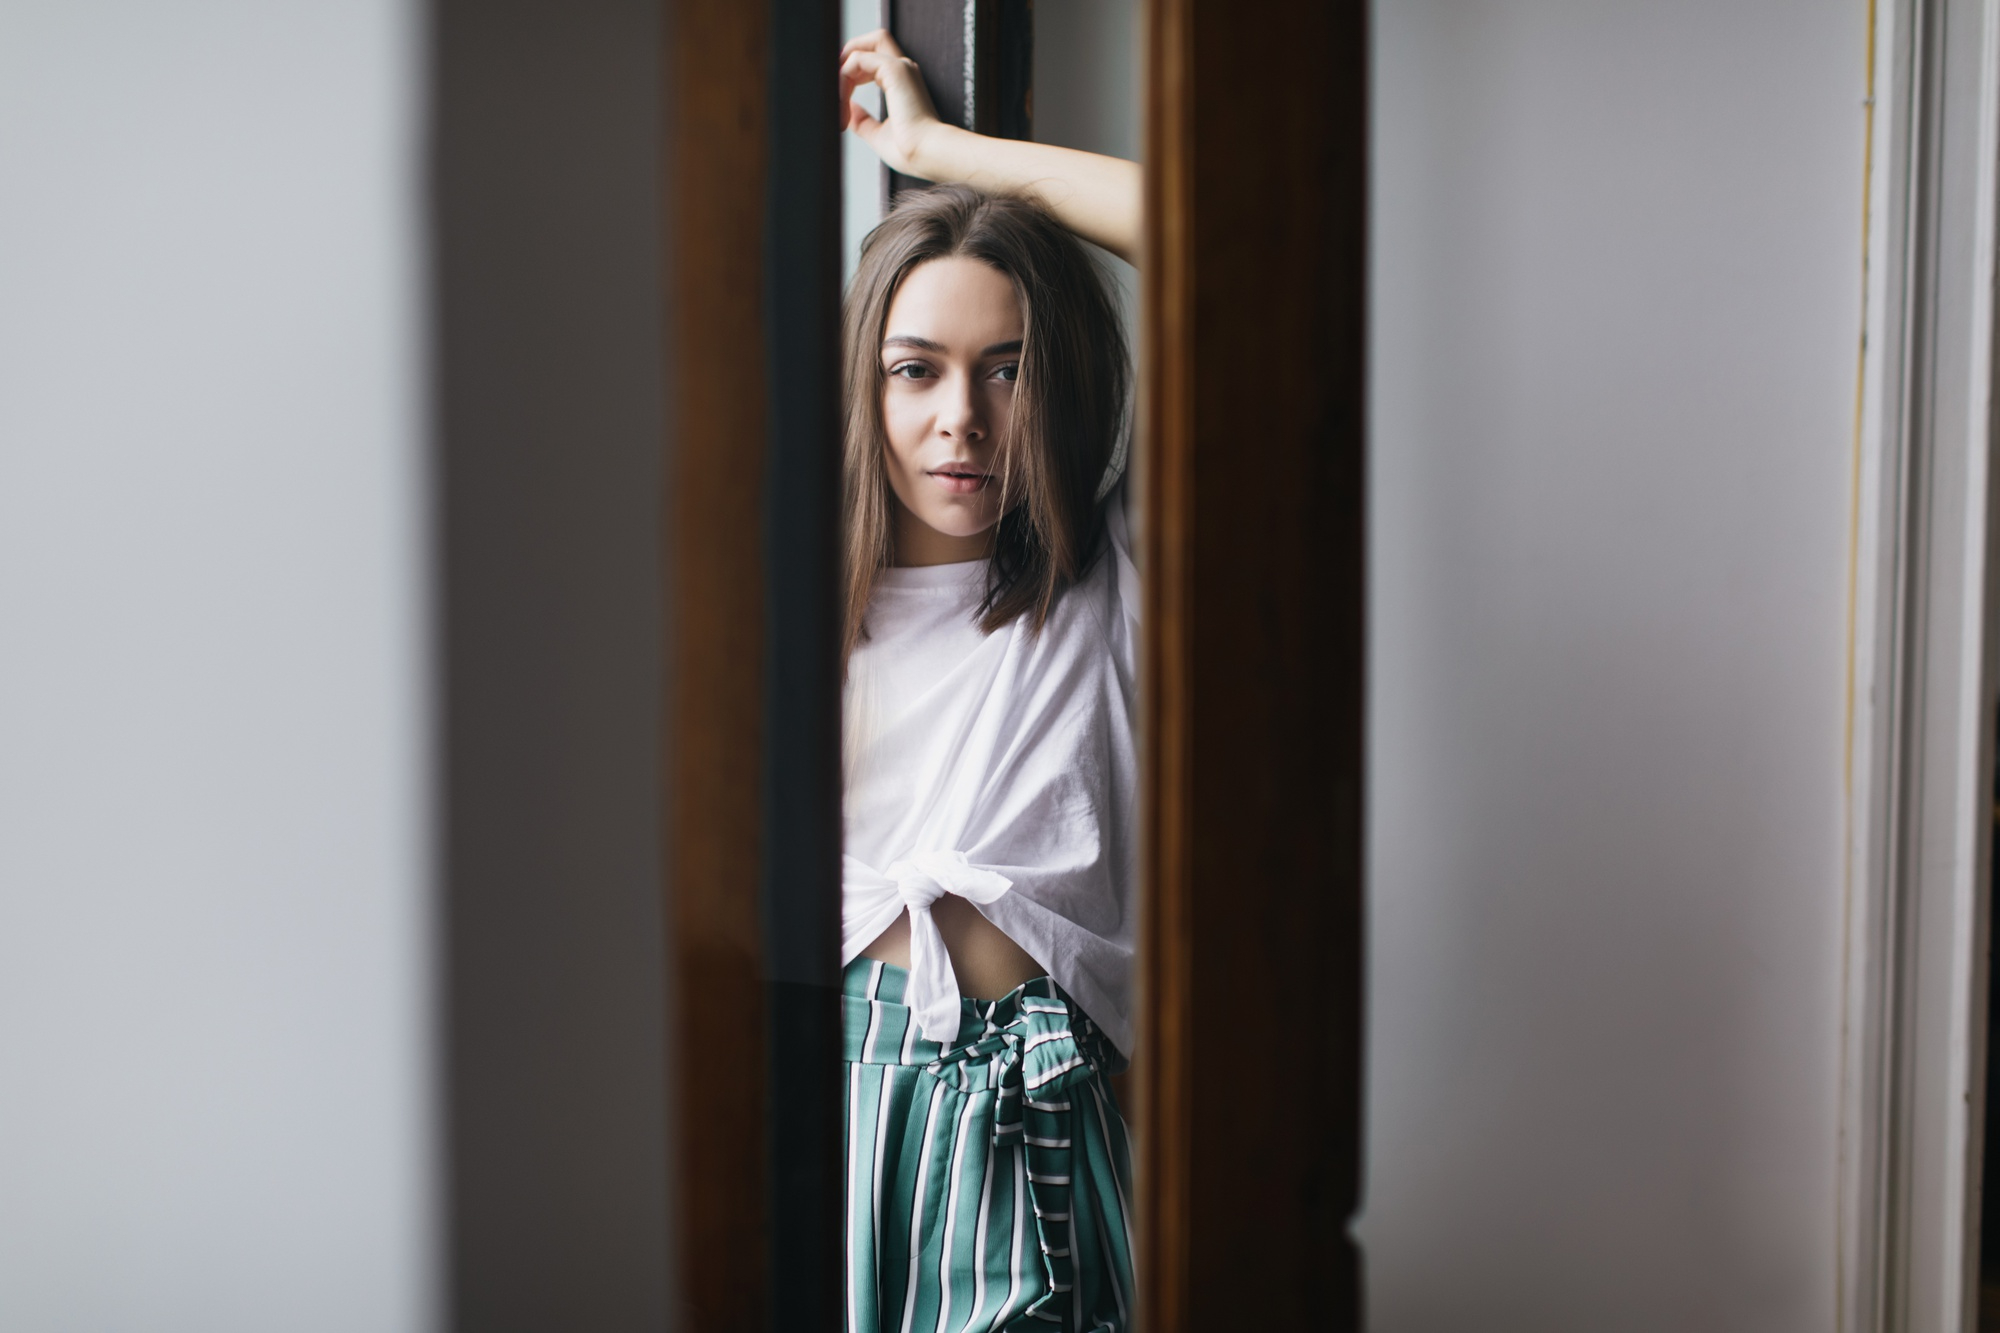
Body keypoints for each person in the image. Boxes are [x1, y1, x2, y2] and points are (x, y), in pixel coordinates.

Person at [836, 29, 1144, 1333]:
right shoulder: (787, 612)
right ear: (869, 383)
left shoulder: (1116, 579)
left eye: (1007, 369)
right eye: (918, 369)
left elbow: (1221, 244)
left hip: (1050, 1116)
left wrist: (935, 159)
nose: (960, 417)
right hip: (835, 1119)